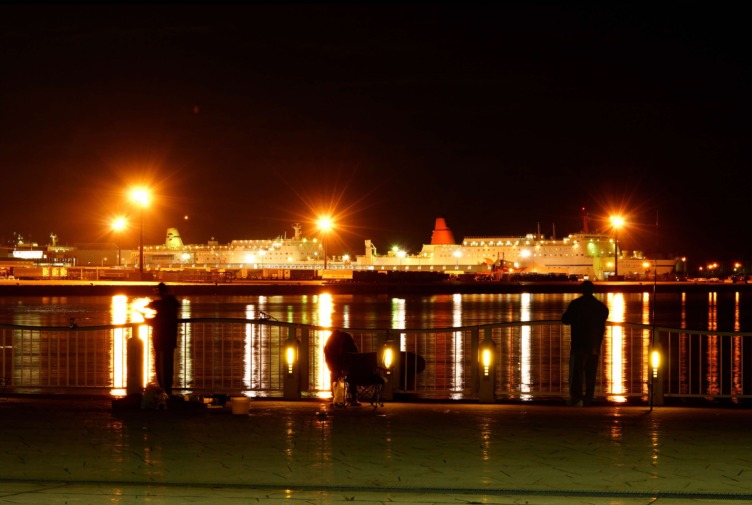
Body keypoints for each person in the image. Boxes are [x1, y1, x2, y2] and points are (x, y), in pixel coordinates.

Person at [562, 280, 609, 406]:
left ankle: (577, 399)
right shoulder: (600, 307)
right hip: (594, 345)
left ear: (582, 290)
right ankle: (589, 399)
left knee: (576, 374)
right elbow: (604, 317)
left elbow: (565, 320)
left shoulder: (576, 304)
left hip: (578, 343)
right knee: (591, 375)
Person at [146, 282, 180, 397]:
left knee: (161, 368)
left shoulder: (164, 304)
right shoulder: (171, 303)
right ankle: (167, 391)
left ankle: (164, 393)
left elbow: (160, 321)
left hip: (162, 341)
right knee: (168, 367)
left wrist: (146, 319)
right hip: (169, 341)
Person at [323, 329, 361, 406]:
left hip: (339, 365)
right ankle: (353, 398)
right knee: (352, 375)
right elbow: (356, 355)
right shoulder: (347, 339)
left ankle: (337, 398)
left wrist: (335, 370)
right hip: (348, 366)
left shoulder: (330, 343)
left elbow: (328, 358)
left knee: (335, 377)